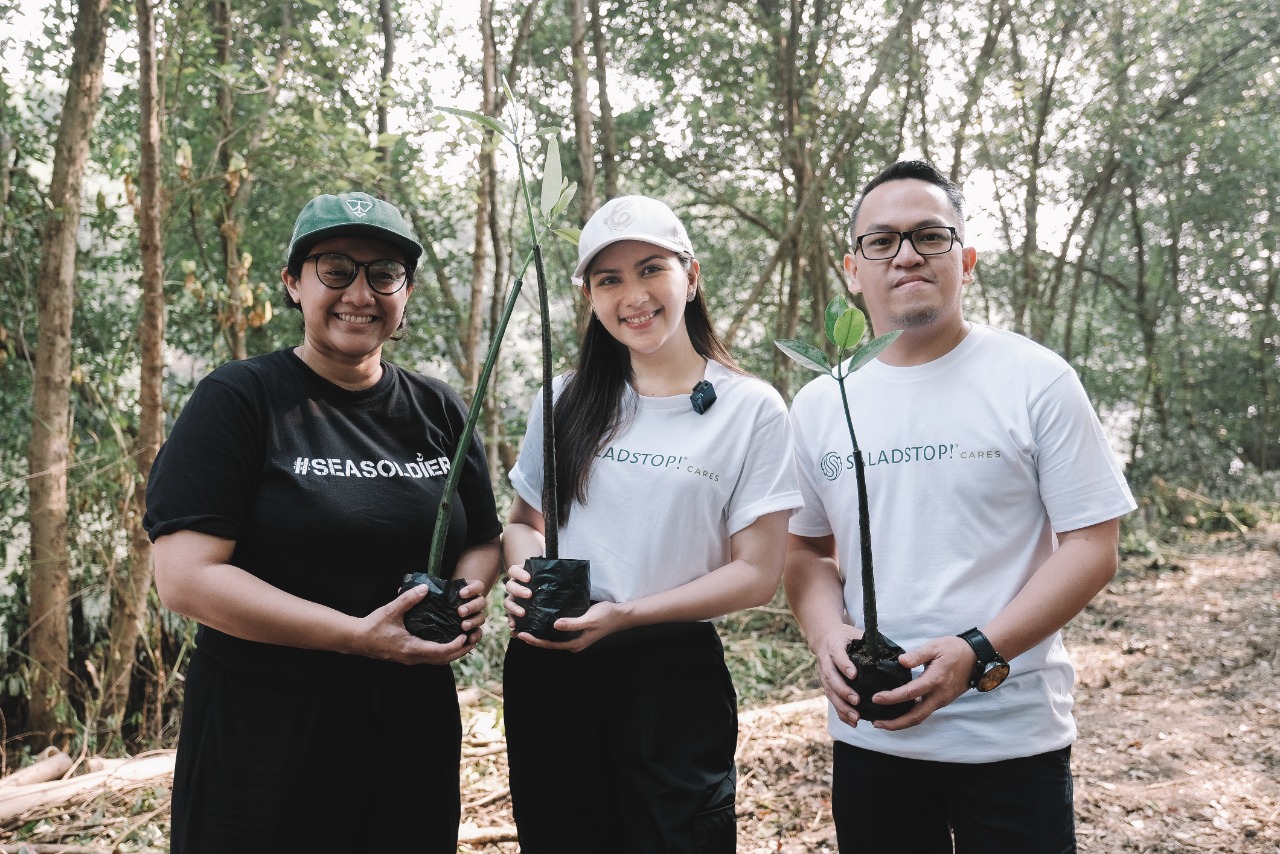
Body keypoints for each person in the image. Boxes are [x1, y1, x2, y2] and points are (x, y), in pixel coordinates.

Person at [784, 160, 1137, 853]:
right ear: (852, 269)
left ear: (965, 260)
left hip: (1010, 736)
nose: (907, 254)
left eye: (929, 236)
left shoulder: (1034, 379)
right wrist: (828, 636)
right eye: (881, 241)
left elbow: (1093, 545)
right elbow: (804, 551)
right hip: (870, 736)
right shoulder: (823, 401)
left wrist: (977, 651)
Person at [145, 191, 502, 853]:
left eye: (383, 273)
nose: (359, 293)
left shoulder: (438, 407)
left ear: (406, 292)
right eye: (335, 269)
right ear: (293, 283)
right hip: (267, 731)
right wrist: (353, 636)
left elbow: (482, 537)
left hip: (409, 726)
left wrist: (470, 593)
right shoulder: (241, 400)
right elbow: (185, 579)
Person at [500, 195, 803, 853]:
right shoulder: (562, 400)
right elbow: (524, 522)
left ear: (690, 277)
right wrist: (523, 574)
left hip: (671, 672)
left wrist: (630, 615)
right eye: (608, 279)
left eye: (650, 269)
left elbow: (757, 574)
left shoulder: (750, 409)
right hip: (551, 667)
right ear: (589, 295)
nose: (632, 295)